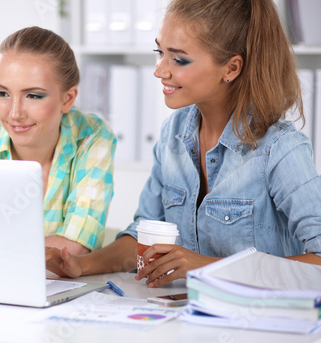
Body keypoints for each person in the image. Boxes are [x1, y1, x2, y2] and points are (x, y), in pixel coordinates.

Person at [46, 0, 321, 286]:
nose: (159, 71)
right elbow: (143, 234)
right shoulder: (173, 134)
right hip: (185, 317)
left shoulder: (280, 149)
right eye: (160, 52)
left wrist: (206, 266)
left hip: (260, 323)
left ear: (232, 68)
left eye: (178, 59)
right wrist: (80, 265)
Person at [0, 26, 116, 255]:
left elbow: (75, 248)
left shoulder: (91, 137)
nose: (15, 113)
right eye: (2, 93)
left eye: (33, 95)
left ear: (67, 99)